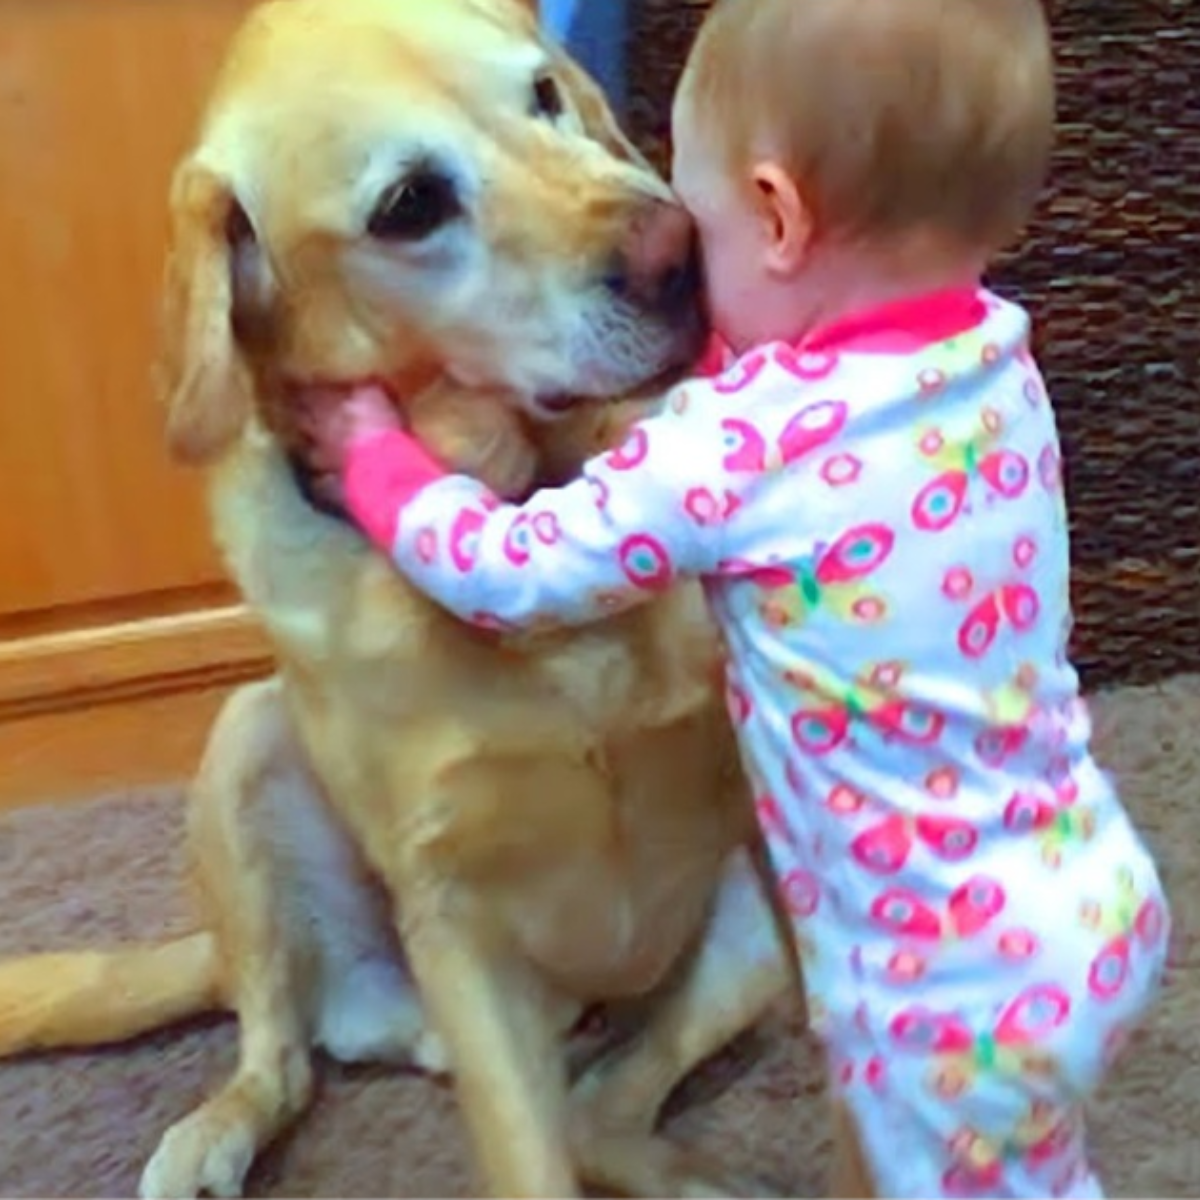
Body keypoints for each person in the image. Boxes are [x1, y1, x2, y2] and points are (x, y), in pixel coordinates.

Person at [297, 0, 1170, 1194]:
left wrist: (373, 455)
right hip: (1085, 890)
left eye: (687, 224)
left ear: (774, 216)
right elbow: (815, 399)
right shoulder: (990, 357)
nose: (671, 267)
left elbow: (511, 572)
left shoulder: (729, 454)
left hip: (941, 986)